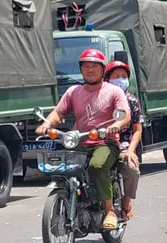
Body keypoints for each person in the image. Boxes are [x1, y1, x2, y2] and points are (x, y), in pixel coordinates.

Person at [36, 49, 132, 230]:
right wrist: (47, 123)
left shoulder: (113, 91)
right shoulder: (74, 92)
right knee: (62, 166)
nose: (90, 70)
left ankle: (110, 210)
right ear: (81, 69)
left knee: (96, 166)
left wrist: (116, 125)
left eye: (94, 66)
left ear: (103, 69)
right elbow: (59, 111)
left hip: (106, 142)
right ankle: (72, 199)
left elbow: (125, 114)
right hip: (80, 141)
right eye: (86, 66)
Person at [103, 60, 143, 220]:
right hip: (100, 144)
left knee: (132, 169)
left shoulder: (132, 102)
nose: (120, 79)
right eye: (116, 76)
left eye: (124, 76)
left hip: (123, 146)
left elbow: (137, 130)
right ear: (107, 79)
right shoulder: (101, 98)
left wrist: (131, 151)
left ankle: (126, 201)